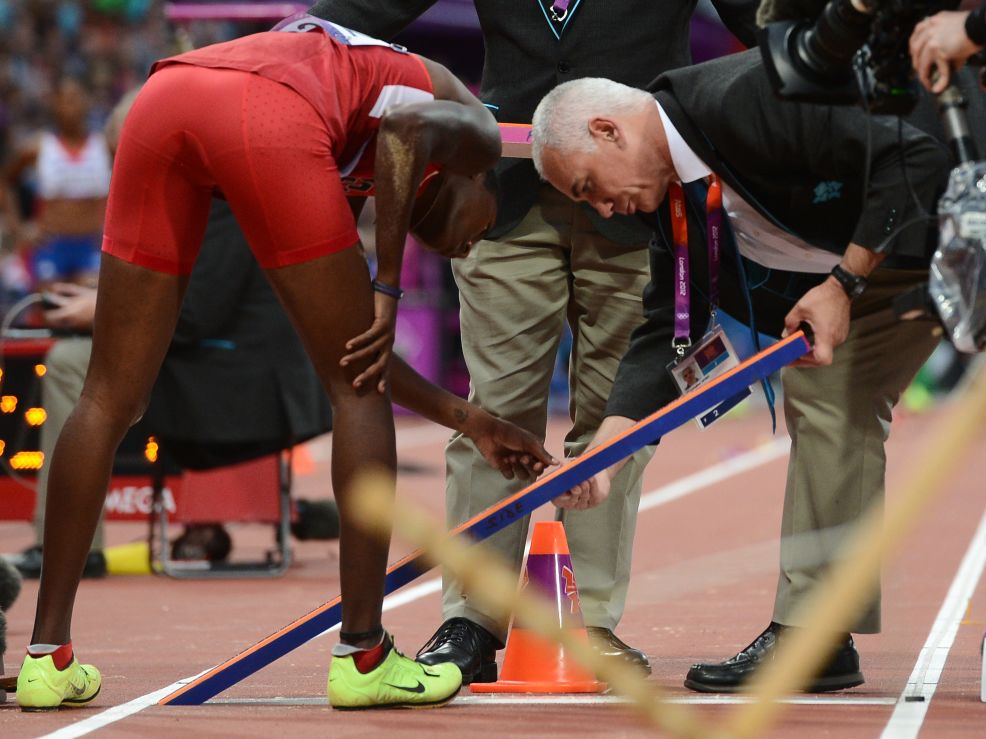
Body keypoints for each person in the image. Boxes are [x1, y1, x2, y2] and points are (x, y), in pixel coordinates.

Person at [16, 19, 557, 712]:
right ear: (482, 181)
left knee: (107, 394)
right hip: (263, 107)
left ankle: (45, 658)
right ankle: (363, 655)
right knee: (353, 395)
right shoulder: (477, 129)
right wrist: (388, 286)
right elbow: (406, 133)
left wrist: (468, 417)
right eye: (484, 230)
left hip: (168, 97)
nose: (467, 250)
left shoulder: (355, 160)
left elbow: (353, 346)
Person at [307, 0, 760, 684]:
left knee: (616, 410)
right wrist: (303, 39)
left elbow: (761, 14)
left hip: (634, 188)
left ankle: (591, 617)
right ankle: (470, 617)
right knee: (495, 405)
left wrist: (822, 46)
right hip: (512, 184)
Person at [531, 53, 951, 692]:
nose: (603, 211)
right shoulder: (670, 199)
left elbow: (914, 160)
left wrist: (841, 284)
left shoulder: (740, 100)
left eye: (588, 187)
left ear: (606, 130)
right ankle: (816, 634)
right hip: (895, 259)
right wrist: (602, 463)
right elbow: (665, 337)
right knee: (828, 392)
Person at [5, 77, 110, 289]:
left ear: (86, 102)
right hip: (52, 244)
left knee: (90, 307)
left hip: (90, 243)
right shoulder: (39, 147)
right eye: (64, 100)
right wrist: (19, 229)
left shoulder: (104, 147)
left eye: (75, 99)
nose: (70, 106)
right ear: (55, 105)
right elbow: (7, 182)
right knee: (51, 306)